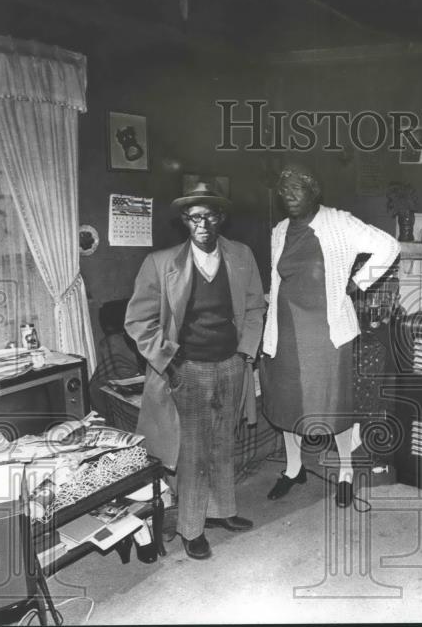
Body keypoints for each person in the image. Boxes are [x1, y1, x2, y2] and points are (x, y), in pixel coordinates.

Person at [125, 181, 265, 560]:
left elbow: (255, 308)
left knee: (223, 441)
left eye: (209, 216)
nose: (202, 224)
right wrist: (168, 362)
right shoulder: (160, 263)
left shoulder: (241, 255)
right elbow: (139, 322)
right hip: (186, 369)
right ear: (185, 221)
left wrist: (244, 353)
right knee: (191, 451)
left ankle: (221, 512)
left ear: (220, 218)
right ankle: (191, 528)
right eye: (193, 217)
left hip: (230, 364)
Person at [261, 165, 400, 507]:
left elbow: (389, 245)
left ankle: (345, 473)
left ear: (314, 192)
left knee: (335, 405)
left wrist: (357, 282)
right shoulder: (279, 231)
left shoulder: (338, 222)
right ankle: (294, 469)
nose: (289, 194)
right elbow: (277, 280)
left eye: (297, 188)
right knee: (286, 402)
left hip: (328, 332)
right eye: (284, 189)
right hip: (287, 330)